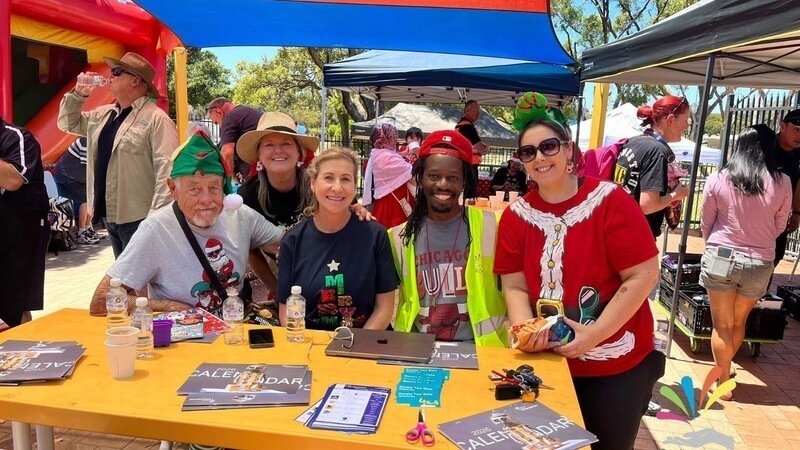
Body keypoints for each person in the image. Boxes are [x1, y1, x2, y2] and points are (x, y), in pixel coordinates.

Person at [494, 119, 663, 450]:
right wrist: (525, 332)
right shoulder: (516, 216)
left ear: (569, 150)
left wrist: (594, 334)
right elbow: (514, 286)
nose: (539, 157)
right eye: (528, 152)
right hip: (547, 364)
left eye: (548, 146)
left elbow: (643, 275)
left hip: (614, 368)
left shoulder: (610, 200)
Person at [88, 132, 282, 316]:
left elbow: (287, 244)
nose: (206, 200)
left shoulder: (240, 215)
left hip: (233, 330)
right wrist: (169, 307)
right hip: (181, 336)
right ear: (173, 188)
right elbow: (101, 300)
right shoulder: (155, 230)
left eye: (214, 188)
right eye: (194, 189)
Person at [389, 130, 508, 346]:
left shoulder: (494, 227)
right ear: (420, 178)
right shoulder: (398, 237)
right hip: (416, 348)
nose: (443, 184)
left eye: (453, 178)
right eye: (434, 176)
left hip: (481, 350)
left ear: (464, 181)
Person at [700, 125, 791, 400]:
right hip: (759, 260)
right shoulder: (783, 182)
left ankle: (722, 380)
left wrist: (715, 243)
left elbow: (706, 222)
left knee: (721, 324)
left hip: (721, 255)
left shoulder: (718, 179)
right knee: (739, 322)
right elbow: (780, 225)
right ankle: (725, 376)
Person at [235, 111, 372, 295]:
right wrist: (275, 289)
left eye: (286, 143)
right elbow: (250, 249)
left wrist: (357, 209)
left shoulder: (320, 184)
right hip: (278, 269)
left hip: (327, 264)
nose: (278, 150)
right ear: (259, 154)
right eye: (269, 145)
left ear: (299, 152)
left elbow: (349, 209)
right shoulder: (248, 194)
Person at [57, 51, 178, 258]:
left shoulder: (156, 119)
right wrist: (78, 94)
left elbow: (166, 170)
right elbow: (67, 123)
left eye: (117, 72)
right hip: (110, 215)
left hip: (140, 217)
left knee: (143, 276)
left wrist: (156, 217)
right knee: (122, 275)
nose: (110, 76)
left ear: (135, 80)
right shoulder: (104, 114)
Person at [278, 147, 397, 331]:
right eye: (328, 178)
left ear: (354, 185)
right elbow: (286, 310)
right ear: (313, 183)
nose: (337, 187)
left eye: (345, 179)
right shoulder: (292, 241)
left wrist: (355, 345)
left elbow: (385, 308)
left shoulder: (375, 236)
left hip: (364, 342)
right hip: (310, 344)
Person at [614, 95, 691, 238]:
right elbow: (648, 205)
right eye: (685, 120)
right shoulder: (656, 151)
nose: (687, 126)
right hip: (637, 237)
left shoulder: (633, 142)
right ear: (671, 119)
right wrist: (676, 194)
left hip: (617, 229)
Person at [0, 116, 49, 328]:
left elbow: (13, 180)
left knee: (13, 306)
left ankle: (21, 346)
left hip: (20, 232)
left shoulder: (17, 137)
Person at [362, 123, 416, 228]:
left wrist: (402, 154)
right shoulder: (386, 157)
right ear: (387, 138)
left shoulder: (379, 153)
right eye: (392, 136)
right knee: (395, 234)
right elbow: (412, 173)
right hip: (393, 205)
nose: (395, 139)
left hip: (386, 201)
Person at [54, 137, 101, 244]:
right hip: (67, 177)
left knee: (91, 198)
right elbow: (88, 167)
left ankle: (88, 228)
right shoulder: (85, 142)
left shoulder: (93, 142)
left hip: (77, 177)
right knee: (86, 200)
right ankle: (82, 231)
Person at [205, 98, 263, 181]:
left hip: (254, 171)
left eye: (216, 123)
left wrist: (230, 180)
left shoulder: (230, 117)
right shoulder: (246, 112)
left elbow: (227, 153)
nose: (220, 126)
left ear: (219, 112)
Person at [772, 109, 800, 267]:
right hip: (761, 212)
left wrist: (796, 213)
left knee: (776, 255)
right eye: (796, 130)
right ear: (783, 126)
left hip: (783, 214)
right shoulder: (767, 148)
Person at [456, 100, 489, 199]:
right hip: (469, 165)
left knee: (464, 192)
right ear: (466, 111)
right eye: (475, 111)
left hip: (462, 163)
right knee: (469, 195)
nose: (478, 114)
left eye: (479, 112)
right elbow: (481, 148)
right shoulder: (467, 126)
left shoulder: (460, 125)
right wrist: (486, 148)